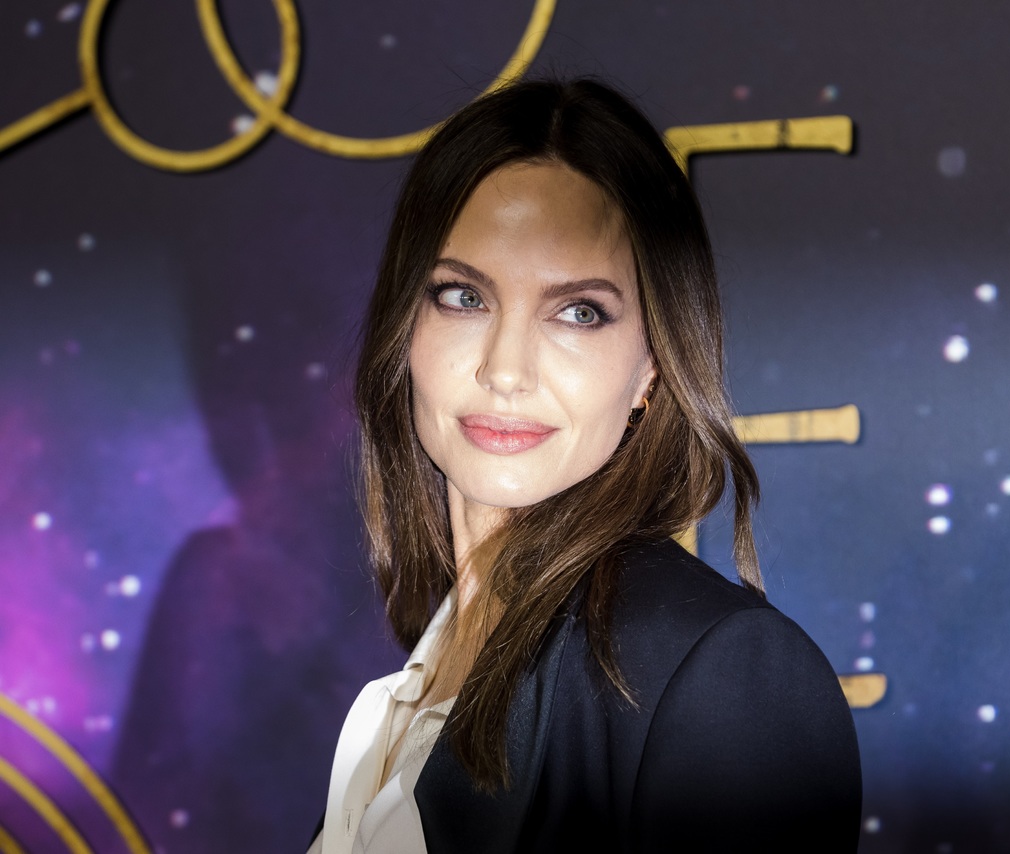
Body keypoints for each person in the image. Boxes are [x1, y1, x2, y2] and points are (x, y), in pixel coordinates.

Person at [310, 76, 861, 853]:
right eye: (463, 297)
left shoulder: (718, 674)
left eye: (579, 312)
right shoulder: (418, 682)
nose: (506, 371)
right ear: (406, 325)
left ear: (651, 369)